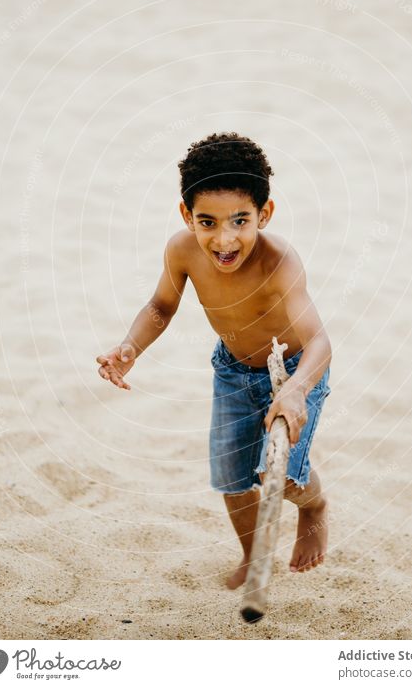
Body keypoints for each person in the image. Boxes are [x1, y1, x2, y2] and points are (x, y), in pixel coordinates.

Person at [96, 132, 332, 589]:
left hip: (294, 370)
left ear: (265, 213)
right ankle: (251, 552)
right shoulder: (181, 251)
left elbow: (319, 340)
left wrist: (296, 389)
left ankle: (315, 506)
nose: (224, 239)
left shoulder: (279, 262)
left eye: (240, 221)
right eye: (207, 222)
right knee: (230, 475)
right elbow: (161, 307)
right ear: (187, 215)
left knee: (280, 477)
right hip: (232, 370)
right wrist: (129, 348)